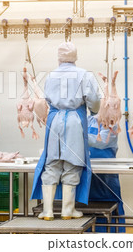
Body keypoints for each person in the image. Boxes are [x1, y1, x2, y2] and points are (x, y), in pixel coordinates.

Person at [31, 42, 101, 221]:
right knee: (72, 164)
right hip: (74, 121)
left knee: (52, 163)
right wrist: (93, 111)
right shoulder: (84, 75)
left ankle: (47, 211)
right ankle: (67, 211)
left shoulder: (51, 75)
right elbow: (94, 100)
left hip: (54, 120)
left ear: (59, 57)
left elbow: (44, 100)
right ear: (75, 56)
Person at [88, 114, 125, 232]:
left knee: (111, 204)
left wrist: (78, 135)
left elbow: (102, 141)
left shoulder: (111, 121)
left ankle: (115, 236)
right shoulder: (87, 119)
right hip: (88, 173)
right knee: (88, 206)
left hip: (107, 175)